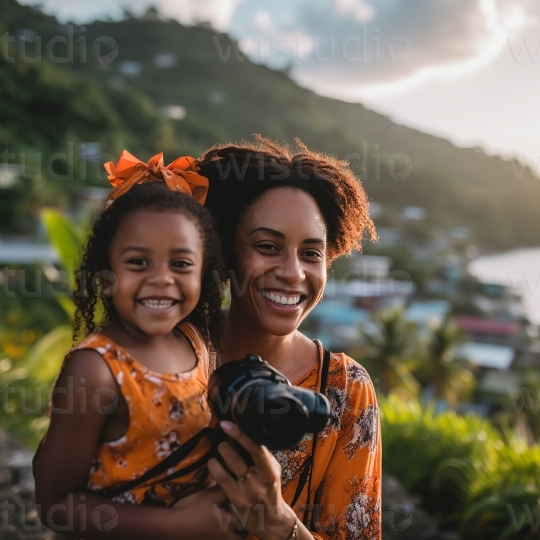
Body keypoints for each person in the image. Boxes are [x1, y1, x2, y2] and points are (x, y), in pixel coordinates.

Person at [33, 151, 242, 538]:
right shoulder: (95, 370)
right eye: (138, 263)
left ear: (203, 275)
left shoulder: (197, 343)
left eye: (180, 264)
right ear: (106, 276)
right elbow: (56, 505)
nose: (162, 279)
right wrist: (177, 525)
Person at [196, 136, 382, 540]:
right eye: (267, 247)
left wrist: (278, 524)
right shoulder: (165, 355)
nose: (294, 272)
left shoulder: (345, 391)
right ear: (224, 252)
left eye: (311, 253)